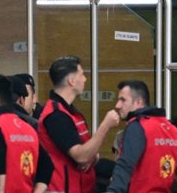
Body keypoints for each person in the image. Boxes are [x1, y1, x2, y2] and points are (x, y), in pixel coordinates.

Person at [39, 56, 118, 193]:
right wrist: (105, 125)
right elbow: (81, 156)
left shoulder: (70, 113)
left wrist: (92, 156)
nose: (85, 79)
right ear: (72, 81)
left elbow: (86, 151)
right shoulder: (56, 115)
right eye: (81, 74)